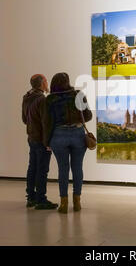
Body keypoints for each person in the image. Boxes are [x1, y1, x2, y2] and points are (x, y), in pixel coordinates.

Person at [42, 73, 92, 214]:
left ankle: (63, 204)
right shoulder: (78, 94)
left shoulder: (50, 99)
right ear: (68, 82)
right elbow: (88, 116)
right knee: (77, 168)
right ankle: (77, 202)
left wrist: (47, 141)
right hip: (78, 134)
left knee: (62, 169)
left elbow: (47, 123)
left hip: (58, 135)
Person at [22, 74, 58, 210]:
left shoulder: (26, 97)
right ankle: (41, 199)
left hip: (31, 137)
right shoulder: (42, 99)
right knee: (42, 170)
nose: (47, 83)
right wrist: (47, 141)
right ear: (42, 84)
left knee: (32, 167)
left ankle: (31, 197)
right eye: (46, 81)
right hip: (41, 139)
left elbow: (24, 119)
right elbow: (46, 122)